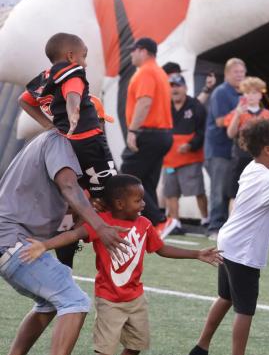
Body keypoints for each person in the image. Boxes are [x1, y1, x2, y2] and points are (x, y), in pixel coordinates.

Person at [19, 174, 219, 355]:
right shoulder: (101, 223)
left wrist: (196, 254)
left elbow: (162, 248)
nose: (143, 204)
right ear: (120, 204)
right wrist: (44, 245)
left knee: (137, 343)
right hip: (108, 298)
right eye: (138, 200)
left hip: (135, 298)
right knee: (107, 347)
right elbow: (73, 235)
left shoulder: (144, 224)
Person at [0, 129, 128, 355]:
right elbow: (68, 187)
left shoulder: (51, 142)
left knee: (48, 303)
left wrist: (85, 215)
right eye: (97, 128)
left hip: (12, 238)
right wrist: (99, 224)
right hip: (14, 240)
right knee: (75, 301)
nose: (100, 136)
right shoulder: (60, 142)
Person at [183, 118, 269, 355]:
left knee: (225, 297)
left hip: (229, 241)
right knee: (245, 308)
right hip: (243, 250)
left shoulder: (252, 168)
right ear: (268, 148)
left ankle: (200, 350)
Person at [19, 32, 116, 200]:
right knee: (109, 189)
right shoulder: (73, 74)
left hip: (64, 143)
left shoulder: (46, 78)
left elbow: (24, 101)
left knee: (76, 189)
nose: (85, 64)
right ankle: (103, 223)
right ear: (71, 56)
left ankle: (80, 222)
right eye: (84, 57)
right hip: (89, 141)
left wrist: (48, 125)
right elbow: (73, 96)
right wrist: (73, 113)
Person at [120, 37, 174, 232]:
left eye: (133, 50)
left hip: (148, 133)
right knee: (147, 182)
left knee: (127, 178)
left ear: (143, 51)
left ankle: (160, 221)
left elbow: (144, 102)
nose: (131, 54)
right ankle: (153, 225)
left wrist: (132, 130)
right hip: (162, 134)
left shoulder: (145, 72)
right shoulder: (159, 72)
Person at [204, 58, 247, 237]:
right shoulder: (221, 92)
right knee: (219, 190)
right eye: (236, 72)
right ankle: (215, 226)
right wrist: (239, 114)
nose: (240, 75)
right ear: (227, 73)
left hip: (236, 151)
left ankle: (229, 227)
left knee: (232, 190)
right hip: (219, 149)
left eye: (242, 72)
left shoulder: (243, 93)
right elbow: (220, 120)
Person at [162, 72, 207, 232]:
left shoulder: (195, 106)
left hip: (190, 157)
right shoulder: (164, 105)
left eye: (178, 86)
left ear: (185, 88)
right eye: (171, 86)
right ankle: (175, 222)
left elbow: (202, 131)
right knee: (171, 192)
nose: (174, 89)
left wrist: (190, 144)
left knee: (198, 190)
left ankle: (205, 218)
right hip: (169, 158)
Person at [223, 76, 269, 203]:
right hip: (240, 157)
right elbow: (230, 134)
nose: (250, 96)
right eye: (247, 93)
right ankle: (234, 222)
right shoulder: (237, 112)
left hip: (261, 159)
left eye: (254, 92)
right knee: (235, 194)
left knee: (261, 195)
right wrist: (237, 114)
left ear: (260, 95)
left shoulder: (268, 115)